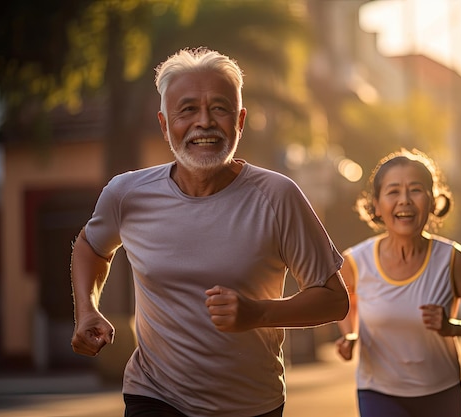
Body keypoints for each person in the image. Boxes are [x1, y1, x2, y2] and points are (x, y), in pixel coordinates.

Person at [70, 47, 349, 417]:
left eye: (219, 108)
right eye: (187, 110)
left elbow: (334, 299)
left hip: (252, 404)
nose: (205, 122)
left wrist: (258, 314)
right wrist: (87, 310)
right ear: (165, 124)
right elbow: (91, 247)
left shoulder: (277, 196)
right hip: (154, 395)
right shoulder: (127, 195)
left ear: (240, 120)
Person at [335, 148, 461, 417]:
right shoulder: (355, 262)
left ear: (433, 201)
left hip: (441, 392)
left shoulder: (451, 258)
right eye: (393, 192)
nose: (405, 201)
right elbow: (346, 303)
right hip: (378, 392)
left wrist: (451, 326)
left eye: (415, 190)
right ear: (375, 204)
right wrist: (349, 335)